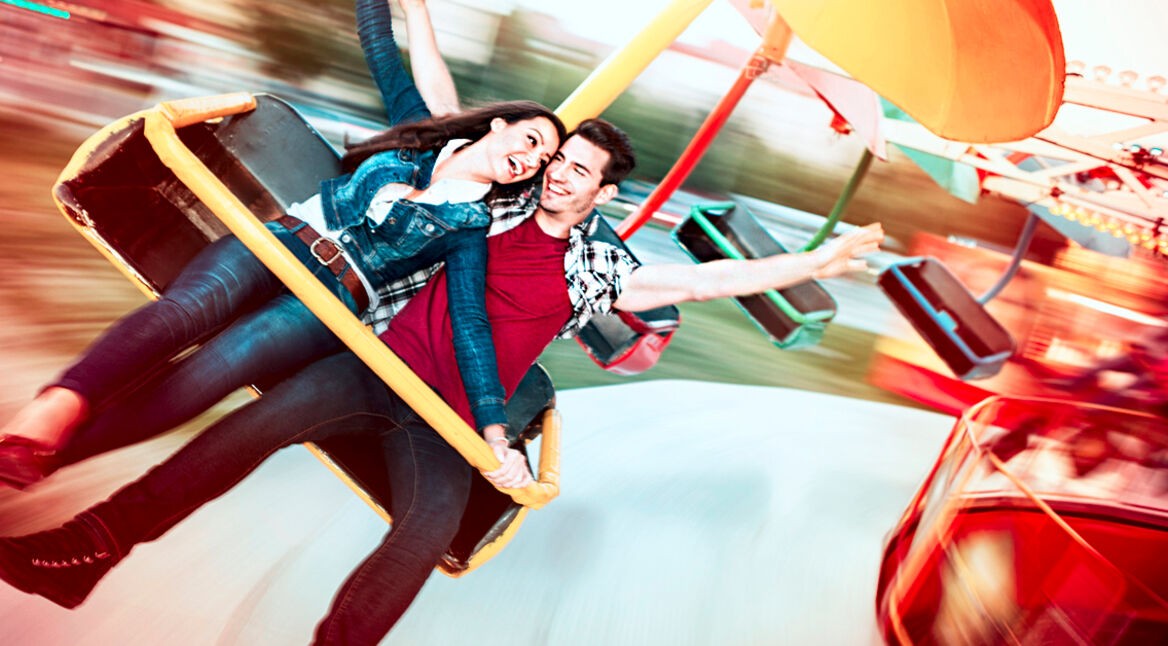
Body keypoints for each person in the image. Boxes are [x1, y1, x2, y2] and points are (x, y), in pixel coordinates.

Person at [0, 0, 885, 643]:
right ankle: (88, 543)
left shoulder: (601, 266)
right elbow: (441, 105)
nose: (558, 175)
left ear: (606, 194)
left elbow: (703, 283)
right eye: (554, 159)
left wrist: (812, 265)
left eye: (577, 169)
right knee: (236, 433)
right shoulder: (493, 208)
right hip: (372, 364)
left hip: (455, 417)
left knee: (424, 533)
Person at [0, 0, 566, 489]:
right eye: (532, 140)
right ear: (500, 126)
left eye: (539, 162)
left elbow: (470, 325)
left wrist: (495, 432)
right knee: (185, 311)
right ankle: (56, 406)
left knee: (211, 374)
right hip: (282, 242)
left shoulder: (468, 225)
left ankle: (46, 459)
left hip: (330, 302)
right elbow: (379, 47)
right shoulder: (420, 131)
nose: (530, 158)